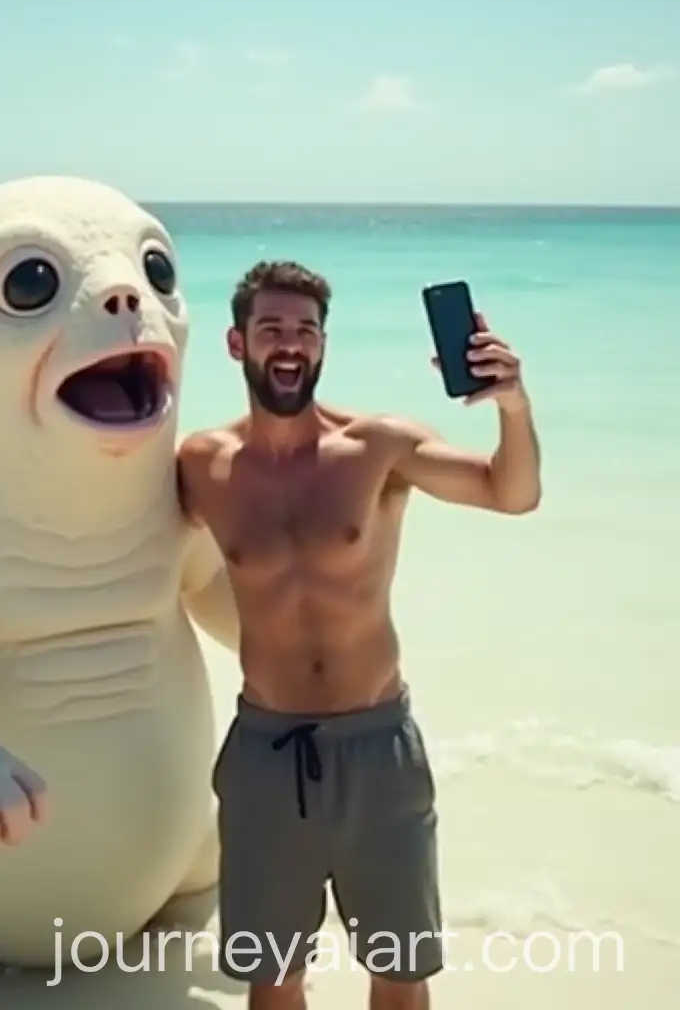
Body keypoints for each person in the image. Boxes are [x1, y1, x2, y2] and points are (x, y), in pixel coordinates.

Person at [177, 259, 541, 1010]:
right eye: (271, 328)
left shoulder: (378, 450)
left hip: (378, 750)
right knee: (272, 975)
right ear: (236, 344)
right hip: (265, 755)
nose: (290, 344)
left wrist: (511, 403)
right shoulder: (201, 465)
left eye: (306, 331)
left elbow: (514, 493)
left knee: (401, 973)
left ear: (322, 346)